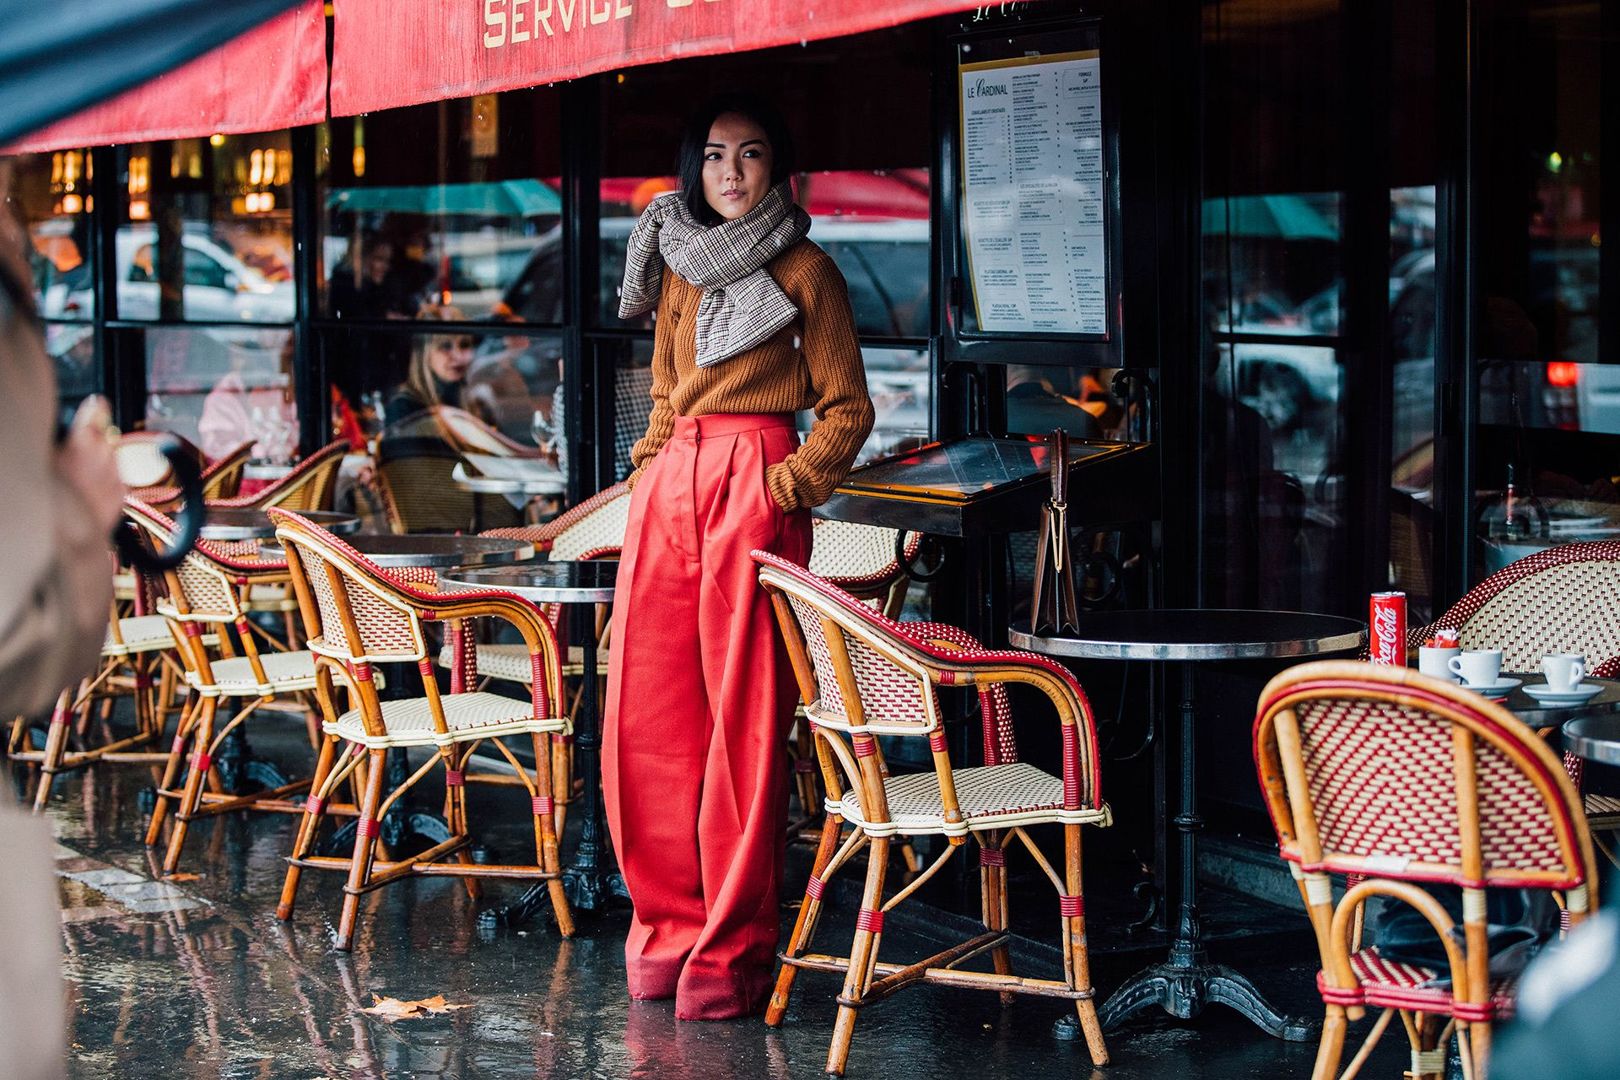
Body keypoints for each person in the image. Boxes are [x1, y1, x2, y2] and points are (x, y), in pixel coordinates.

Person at [602, 92, 874, 1021]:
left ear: (777, 171)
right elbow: (667, 394)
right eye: (715, 155)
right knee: (649, 722)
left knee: (746, 726)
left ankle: (726, 958)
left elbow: (847, 411)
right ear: (694, 167)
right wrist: (647, 477)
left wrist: (781, 488)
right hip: (672, 486)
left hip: (754, 482)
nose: (729, 172)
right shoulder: (677, 262)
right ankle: (663, 941)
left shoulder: (808, 270)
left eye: (750, 156)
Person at [383, 305, 476, 427]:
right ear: (424, 354)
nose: (458, 356)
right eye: (445, 346)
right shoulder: (403, 407)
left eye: (464, 345)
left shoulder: (471, 399)